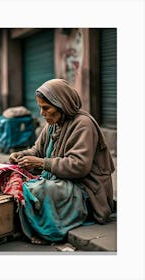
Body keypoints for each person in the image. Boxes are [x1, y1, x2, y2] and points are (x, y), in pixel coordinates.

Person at [9, 78, 115, 244]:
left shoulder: (83, 124)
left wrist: (41, 163)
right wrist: (21, 155)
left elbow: (79, 166)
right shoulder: (52, 124)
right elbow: (37, 151)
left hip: (86, 189)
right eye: (40, 108)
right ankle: (21, 225)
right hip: (63, 181)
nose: (42, 113)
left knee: (37, 191)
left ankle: (45, 231)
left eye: (46, 108)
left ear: (62, 104)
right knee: (14, 179)